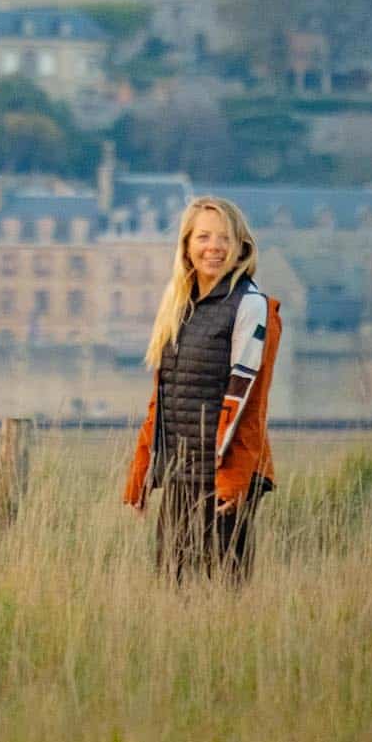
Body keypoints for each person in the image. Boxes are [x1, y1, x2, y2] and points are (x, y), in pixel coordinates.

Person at [123, 195, 282, 581]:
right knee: (171, 585)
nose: (214, 247)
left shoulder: (252, 306)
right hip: (181, 471)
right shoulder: (178, 305)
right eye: (203, 237)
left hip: (227, 472)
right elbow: (162, 398)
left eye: (224, 238)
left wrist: (233, 480)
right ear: (187, 245)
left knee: (223, 590)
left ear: (241, 245)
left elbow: (250, 401)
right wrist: (143, 472)